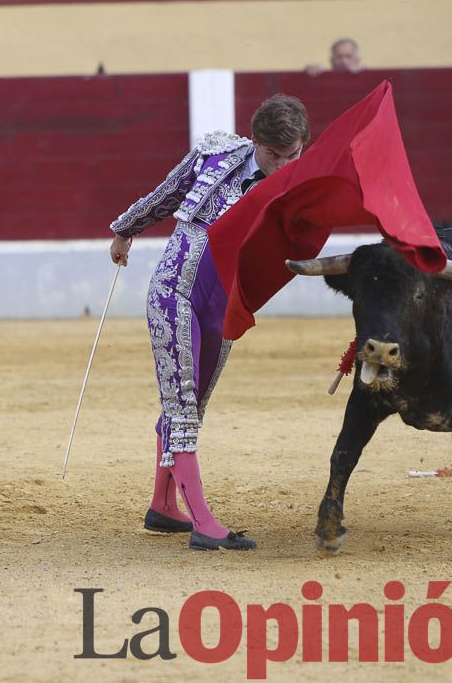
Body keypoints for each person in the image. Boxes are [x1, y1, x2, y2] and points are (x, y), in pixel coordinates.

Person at [109, 95, 310, 551]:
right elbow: (168, 195)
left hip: (222, 307)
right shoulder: (215, 153)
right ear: (255, 140)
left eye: (291, 156)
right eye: (273, 156)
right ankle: (203, 521)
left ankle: (164, 506)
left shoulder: (299, 186)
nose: (281, 166)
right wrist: (124, 230)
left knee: (192, 403)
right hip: (173, 294)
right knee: (181, 404)